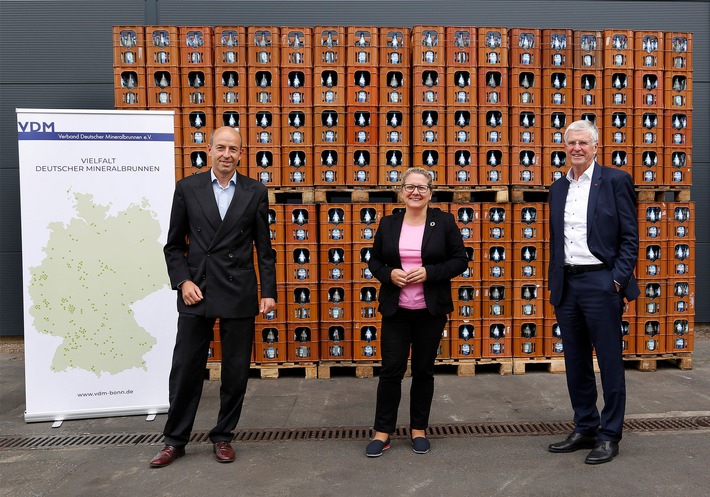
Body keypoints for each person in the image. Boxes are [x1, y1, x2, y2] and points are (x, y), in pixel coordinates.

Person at [150, 126, 276, 467]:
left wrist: (269, 292)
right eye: (220, 147)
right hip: (197, 290)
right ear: (209, 150)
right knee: (185, 370)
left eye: (233, 149)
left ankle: (223, 436)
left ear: (241, 153)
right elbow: (174, 246)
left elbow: (264, 249)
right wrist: (182, 282)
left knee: (235, 371)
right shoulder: (187, 188)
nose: (226, 154)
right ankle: (174, 440)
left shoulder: (255, 191)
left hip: (238, 289)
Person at [547, 120, 639, 465]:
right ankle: (585, 425)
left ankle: (610, 434)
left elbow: (630, 236)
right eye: (571, 143)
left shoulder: (615, 181)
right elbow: (558, 240)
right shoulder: (558, 188)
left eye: (583, 143)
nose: (577, 149)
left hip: (601, 282)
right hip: (567, 284)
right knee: (576, 361)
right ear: (565, 147)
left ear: (596, 146)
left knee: (610, 362)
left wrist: (616, 280)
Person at [366, 167, 468, 457]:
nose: (415, 192)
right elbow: (373, 260)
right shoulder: (388, 223)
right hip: (396, 311)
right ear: (401, 192)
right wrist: (389, 274)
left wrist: (430, 273)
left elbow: (460, 260)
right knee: (391, 371)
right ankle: (382, 432)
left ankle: (419, 429)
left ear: (430, 193)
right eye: (410, 187)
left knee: (424, 370)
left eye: (422, 188)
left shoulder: (444, 222)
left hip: (429, 310)